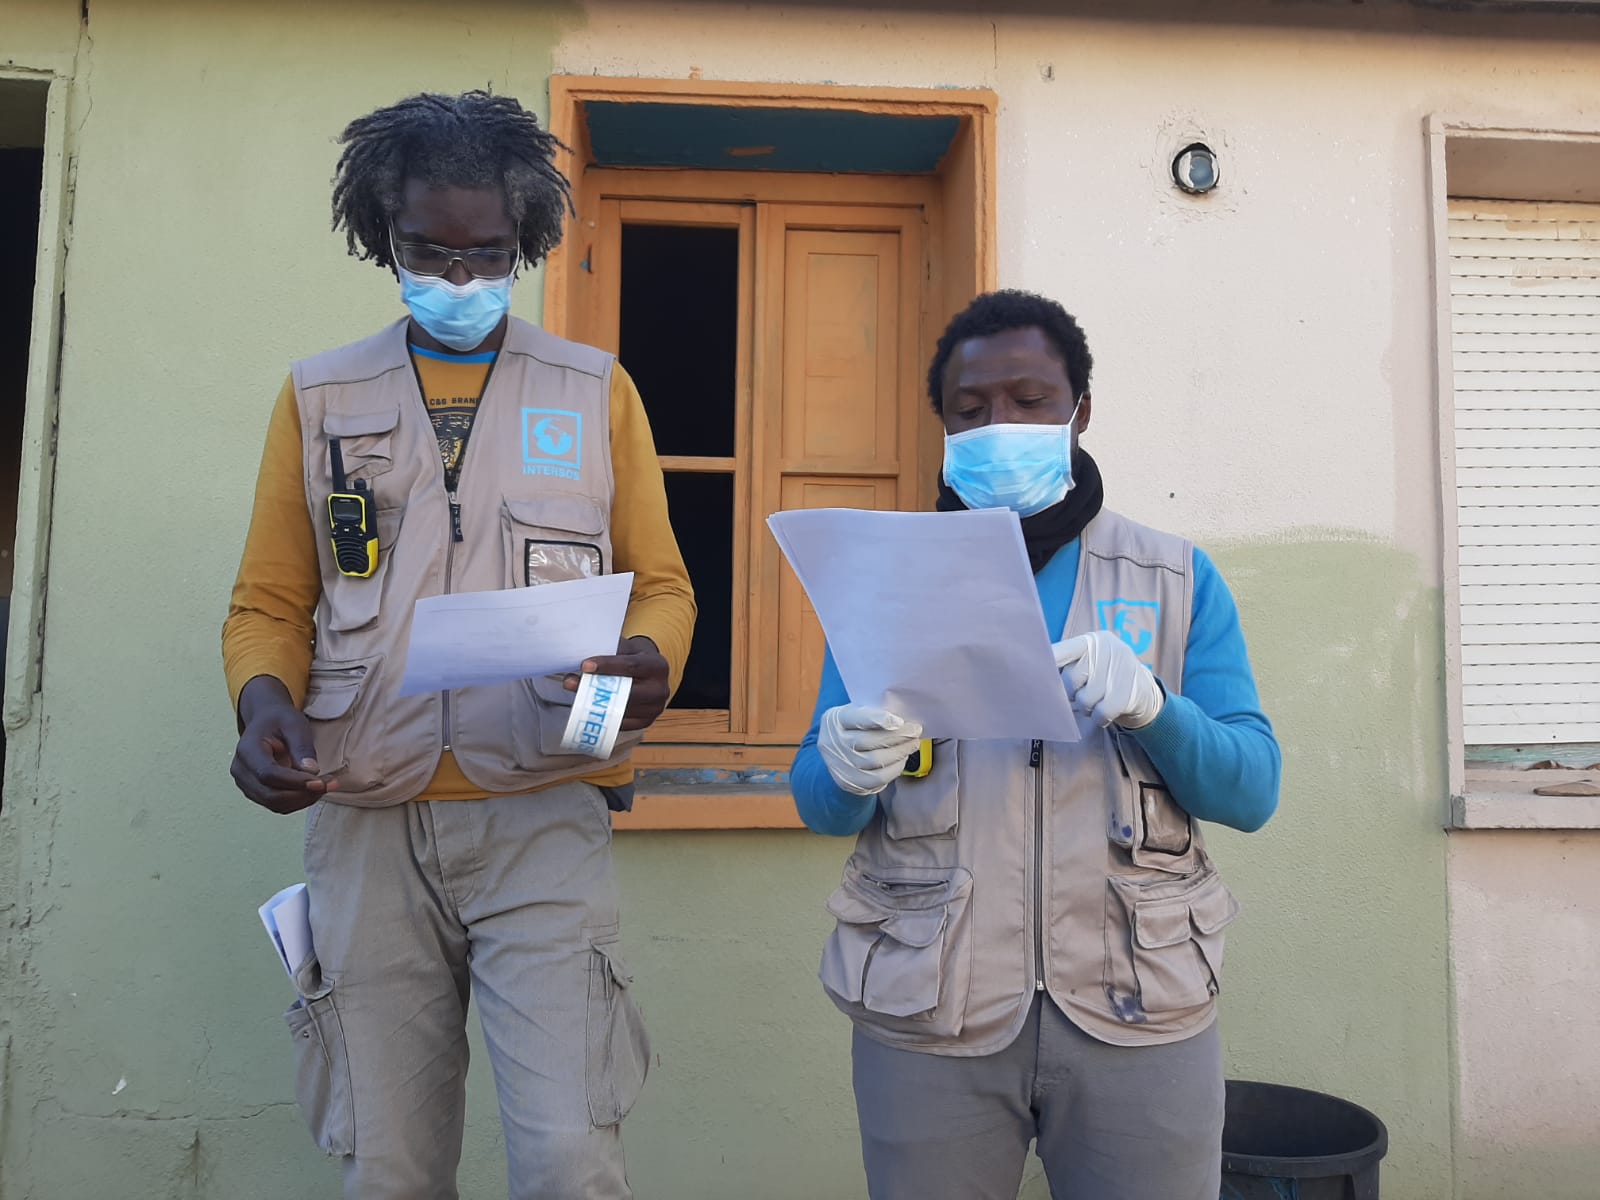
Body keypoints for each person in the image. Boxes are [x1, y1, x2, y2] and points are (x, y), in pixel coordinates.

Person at [221, 91, 695, 1200]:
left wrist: (649, 661)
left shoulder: (594, 390)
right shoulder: (320, 396)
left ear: (523, 239)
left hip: (542, 810)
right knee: (386, 1164)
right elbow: (269, 600)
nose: (458, 276)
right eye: (427, 250)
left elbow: (662, 584)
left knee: (569, 1156)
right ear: (382, 235)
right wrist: (261, 705)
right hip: (366, 817)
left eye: (485, 254)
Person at [790, 289, 1280, 1200]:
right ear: (943, 427)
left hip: (1140, 1008)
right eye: (970, 409)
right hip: (932, 1014)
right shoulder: (886, 580)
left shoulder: (1175, 578)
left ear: (1080, 411)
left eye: (1029, 401)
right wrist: (844, 767)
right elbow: (820, 802)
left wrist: (1154, 708)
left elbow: (1253, 790)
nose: (999, 427)